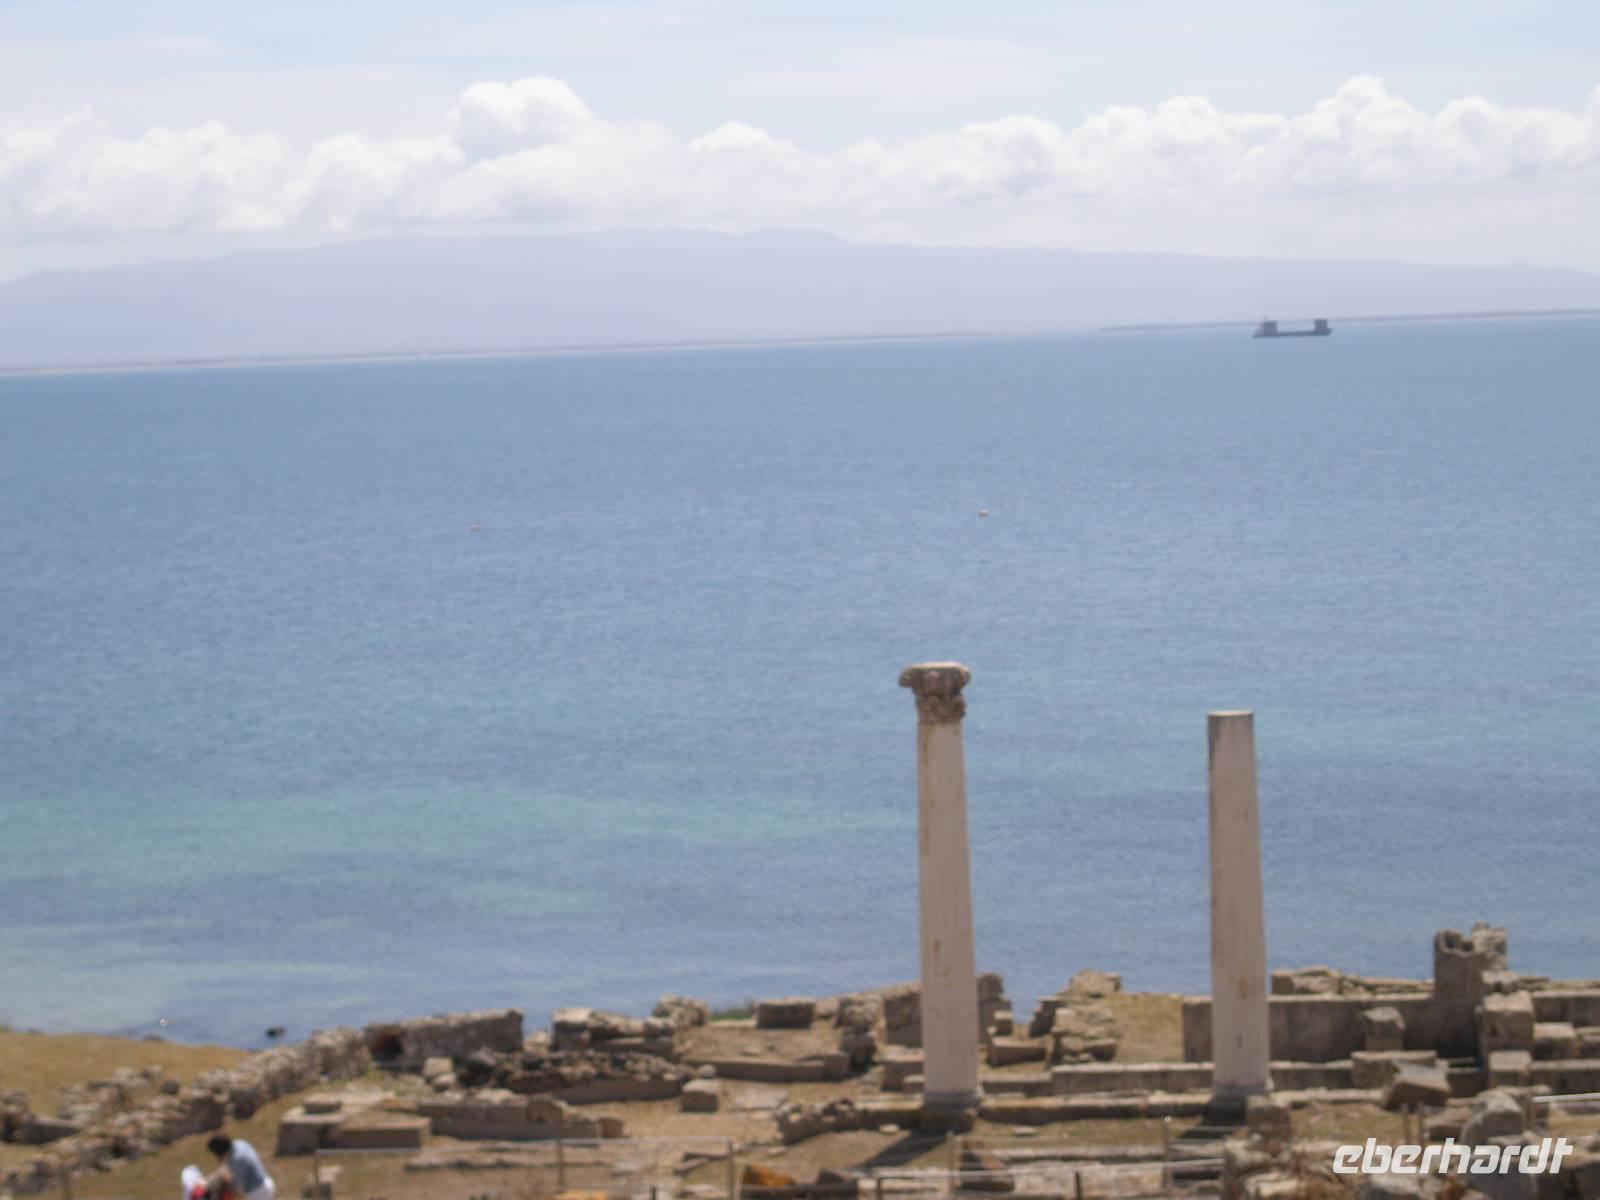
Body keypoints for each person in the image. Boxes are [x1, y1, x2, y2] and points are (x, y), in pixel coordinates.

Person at [206, 1134, 275, 1200]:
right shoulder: (240, 1143)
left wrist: (227, 1183)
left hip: (258, 1192)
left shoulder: (236, 1159)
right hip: (266, 1182)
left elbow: (240, 1186)